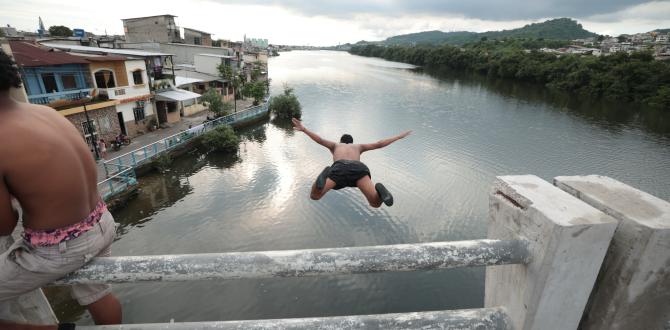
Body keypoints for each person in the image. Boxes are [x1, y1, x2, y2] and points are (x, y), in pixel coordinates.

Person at [0, 51, 122, 325]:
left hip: (59, 249)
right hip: (101, 222)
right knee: (99, 294)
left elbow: (5, 226)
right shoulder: (45, 113)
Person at [292, 118, 411, 207]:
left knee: (315, 195)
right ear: (352, 142)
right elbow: (378, 144)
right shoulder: (358, 147)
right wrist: (398, 137)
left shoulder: (336, 145)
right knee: (375, 203)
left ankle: (321, 181)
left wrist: (304, 130)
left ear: (341, 141)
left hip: (339, 167)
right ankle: (380, 193)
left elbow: (320, 140)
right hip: (359, 169)